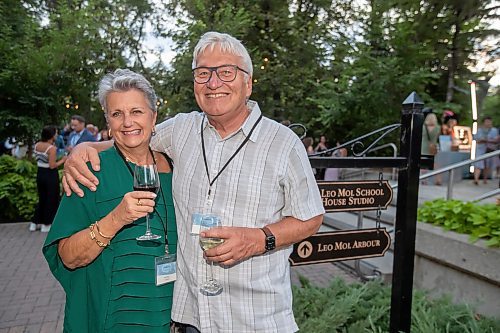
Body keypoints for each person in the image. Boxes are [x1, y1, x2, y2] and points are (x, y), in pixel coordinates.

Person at [62, 32, 324, 333]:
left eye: (226, 72)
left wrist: (259, 238)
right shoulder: (181, 129)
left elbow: (311, 217)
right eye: (203, 73)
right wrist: (83, 149)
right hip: (190, 320)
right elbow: (134, 134)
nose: (214, 83)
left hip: (256, 320)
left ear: (248, 83)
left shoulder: (283, 143)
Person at [43, 69, 177, 332]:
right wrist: (116, 219)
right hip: (112, 318)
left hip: (170, 315)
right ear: (108, 122)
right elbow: (68, 257)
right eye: (117, 114)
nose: (127, 122)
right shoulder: (89, 171)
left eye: (136, 111)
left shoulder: (177, 167)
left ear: (154, 117)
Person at [30, 126, 67, 232]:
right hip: (50, 175)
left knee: (42, 198)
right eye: (55, 133)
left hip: (40, 173)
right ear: (51, 135)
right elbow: (52, 165)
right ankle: (47, 224)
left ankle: (35, 222)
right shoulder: (51, 148)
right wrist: (63, 160)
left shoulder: (37, 145)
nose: (56, 135)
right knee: (51, 198)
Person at [473, 116, 499, 185]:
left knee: (487, 165)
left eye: (489, 121)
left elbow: (496, 140)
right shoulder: (479, 130)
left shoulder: (494, 130)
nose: (488, 123)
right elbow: (476, 139)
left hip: (490, 149)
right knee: (478, 163)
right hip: (480, 149)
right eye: (486, 121)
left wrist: (488, 140)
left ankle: (485, 179)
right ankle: (476, 179)